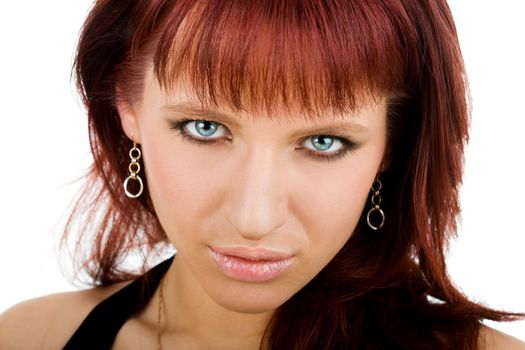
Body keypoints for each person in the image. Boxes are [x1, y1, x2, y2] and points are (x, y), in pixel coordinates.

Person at [1, 0, 524, 349]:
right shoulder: (31, 337)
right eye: (204, 128)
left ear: (392, 144)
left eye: (324, 142)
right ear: (127, 106)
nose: (254, 218)